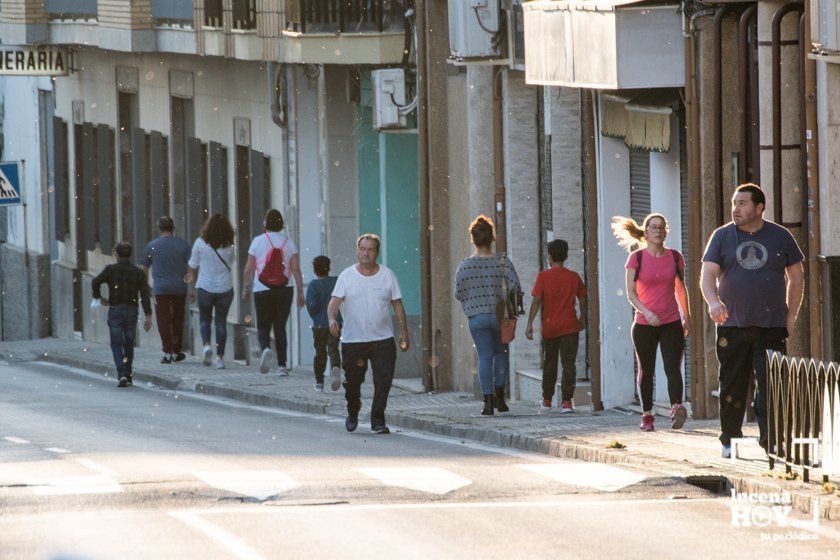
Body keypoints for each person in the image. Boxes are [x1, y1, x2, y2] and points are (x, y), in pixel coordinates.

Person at [701, 183, 804, 458]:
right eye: (734, 203)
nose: (736, 208)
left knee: (771, 386)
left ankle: (771, 441)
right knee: (732, 385)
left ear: (759, 207)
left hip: (771, 325)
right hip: (731, 324)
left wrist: (791, 315)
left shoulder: (780, 236)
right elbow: (708, 275)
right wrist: (713, 302)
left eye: (743, 203)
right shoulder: (722, 236)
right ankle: (729, 440)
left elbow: (796, 277)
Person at [612, 213, 691, 432]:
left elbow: (680, 288)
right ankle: (647, 415)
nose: (658, 231)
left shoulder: (675, 257)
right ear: (645, 233)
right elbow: (631, 294)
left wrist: (687, 316)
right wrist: (646, 312)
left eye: (662, 227)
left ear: (666, 232)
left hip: (671, 322)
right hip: (644, 325)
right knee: (646, 370)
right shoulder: (636, 259)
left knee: (672, 367)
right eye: (654, 227)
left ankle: (676, 407)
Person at [327, 233, 409, 434]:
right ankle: (353, 410)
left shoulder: (387, 275)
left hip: (382, 339)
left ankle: (377, 419)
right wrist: (331, 318)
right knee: (353, 382)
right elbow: (334, 303)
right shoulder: (346, 276)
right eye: (362, 249)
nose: (366, 253)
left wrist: (404, 333)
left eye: (370, 249)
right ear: (357, 251)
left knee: (384, 380)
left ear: (377, 252)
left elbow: (397, 305)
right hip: (354, 340)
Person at [454, 215, 522, 416]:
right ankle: (501, 399)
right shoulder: (503, 262)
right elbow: (515, 288)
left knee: (484, 357)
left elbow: (458, 292)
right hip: (501, 316)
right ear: (492, 238)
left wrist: (473, 302)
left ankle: (487, 402)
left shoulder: (465, 265)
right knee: (501, 354)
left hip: (477, 317)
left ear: (473, 239)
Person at [525, 239, 586, 414]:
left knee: (549, 363)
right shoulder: (573, 277)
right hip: (569, 326)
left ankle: (547, 400)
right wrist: (583, 318)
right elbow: (582, 298)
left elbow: (536, 300)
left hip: (550, 327)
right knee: (569, 364)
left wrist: (529, 323)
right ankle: (567, 402)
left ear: (549, 257)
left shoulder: (543, 277)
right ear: (566, 256)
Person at [243, 209, 305, 375]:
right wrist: (300, 291)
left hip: (262, 289)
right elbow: (296, 269)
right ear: (281, 224)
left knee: (263, 325)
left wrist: (246, 287)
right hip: (285, 290)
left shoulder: (257, 242)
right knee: (280, 327)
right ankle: (282, 366)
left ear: (265, 224)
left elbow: (249, 268)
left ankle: (264, 349)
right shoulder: (289, 243)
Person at [92, 242, 153, 387]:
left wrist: (99, 298)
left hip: (115, 310)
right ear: (131, 255)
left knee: (116, 342)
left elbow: (95, 282)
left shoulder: (110, 270)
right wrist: (148, 316)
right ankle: (128, 372)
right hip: (131, 311)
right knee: (129, 343)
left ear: (117, 255)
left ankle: (121, 373)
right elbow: (144, 295)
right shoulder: (138, 273)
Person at [188, 213, 235, 370]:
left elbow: (192, 266)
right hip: (224, 288)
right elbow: (231, 261)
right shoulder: (229, 245)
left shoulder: (199, 243)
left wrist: (192, 288)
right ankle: (220, 358)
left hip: (205, 287)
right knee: (221, 322)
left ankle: (207, 346)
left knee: (204, 319)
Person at [143, 216, 192, 364]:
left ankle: (167, 352)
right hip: (179, 287)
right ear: (173, 228)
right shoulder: (183, 245)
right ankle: (177, 350)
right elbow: (190, 268)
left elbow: (144, 268)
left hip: (160, 289)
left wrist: (146, 286)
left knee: (163, 320)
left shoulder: (151, 246)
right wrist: (190, 286)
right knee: (178, 319)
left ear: (158, 229)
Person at [306, 255, 342, 393]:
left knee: (320, 352)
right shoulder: (336, 282)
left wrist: (316, 315)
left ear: (315, 269)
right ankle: (335, 367)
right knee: (333, 349)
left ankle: (319, 382)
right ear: (329, 268)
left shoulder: (313, 285)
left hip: (319, 324)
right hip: (336, 322)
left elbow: (311, 306)